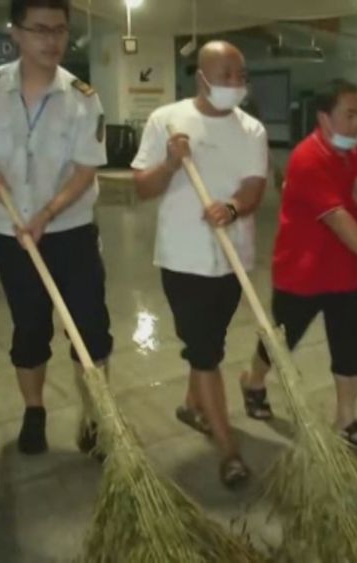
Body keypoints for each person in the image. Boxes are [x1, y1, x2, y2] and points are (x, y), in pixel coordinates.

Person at [0, 0, 112, 458]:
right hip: (10, 232)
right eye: (40, 30)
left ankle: (96, 415)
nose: (52, 40)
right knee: (30, 327)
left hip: (71, 230)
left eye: (60, 30)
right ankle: (34, 410)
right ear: (15, 32)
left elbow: (85, 171)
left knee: (90, 329)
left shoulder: (83, 96)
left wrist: (47, 214)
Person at [236, 79, 357, 450]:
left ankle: (346, 418)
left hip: (346, 273)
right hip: (301, 272)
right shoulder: (307, 158)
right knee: (281, 342)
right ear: (324, 117)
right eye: (349, 115)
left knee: (349, 347)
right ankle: (253, 380)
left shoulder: (352, 153)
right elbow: (340, 221)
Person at [132, 41, 268, 487]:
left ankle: (193, 406)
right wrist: (171, 163)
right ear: (202, 77)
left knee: (209, 340)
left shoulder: (252, 130)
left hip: (233, 258)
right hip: (183, 256)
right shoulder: (166, 120)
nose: (235, 83)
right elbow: (143, 188)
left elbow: (254, 187)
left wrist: (230, 208)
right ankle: (228, 447)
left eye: (241, 74)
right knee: (206, 350)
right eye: (226, 74)